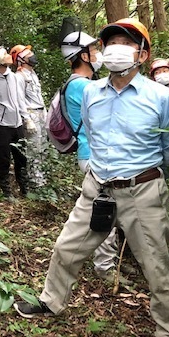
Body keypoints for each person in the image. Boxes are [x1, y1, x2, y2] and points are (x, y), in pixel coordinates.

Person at [14, 18, 169, 337]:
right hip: (97, 187)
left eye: (125, 42)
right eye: (110, 43)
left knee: (157, 266)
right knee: (66, 247)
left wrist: (144, 175)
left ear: (143, 54)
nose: (115, 49)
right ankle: (51, 301)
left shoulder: (160, 98)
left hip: (143, 190)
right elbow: (90, 133)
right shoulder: (92, 92)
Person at [59, 19, 122, 284]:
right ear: (82, 56)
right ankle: (104, 266)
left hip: (95, 155)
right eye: (93, 51)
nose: (98, 55)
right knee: (104, 213)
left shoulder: (80, 84)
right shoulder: (83, 86)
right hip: (94, 155)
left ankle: (107, 261)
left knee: (109, 211)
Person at [0, 45, 35, 197]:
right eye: (3, 54)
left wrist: (26, 118)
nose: (7, 56)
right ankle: (6, 191)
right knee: (3, 159)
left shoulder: (15, 77)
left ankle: (24, 188)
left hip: (17, 124)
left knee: (21, 157)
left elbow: (20, 100)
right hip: (0, 126)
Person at [10, 44, 47, 188]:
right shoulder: (19, 77)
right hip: (31, 114)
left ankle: (42, 176)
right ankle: (35, 181)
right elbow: (19, 100)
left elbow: (38, 97)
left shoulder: (32, 74)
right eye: (28, 54)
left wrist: (45, 113)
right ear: (21, 59)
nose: (32, 56)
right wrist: (27, 119)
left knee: (43, 146)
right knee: (34, 149)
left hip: (40, 112)